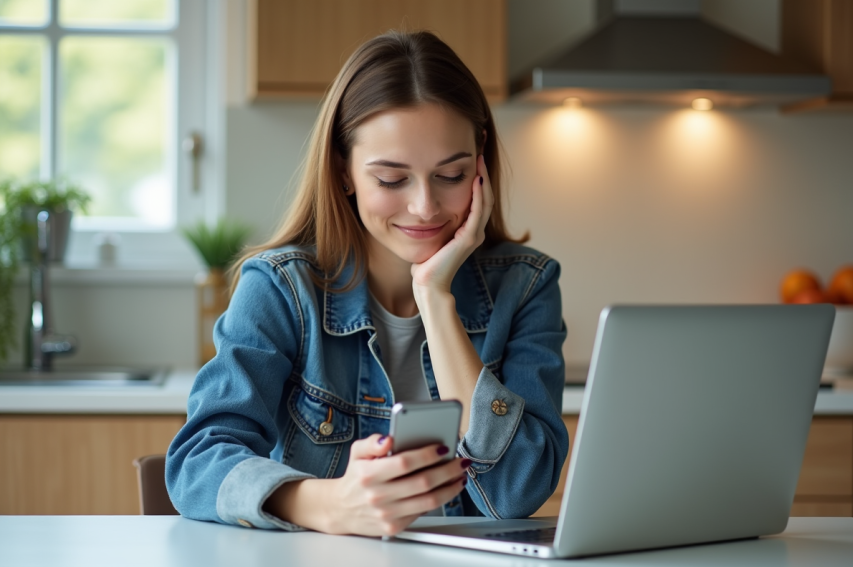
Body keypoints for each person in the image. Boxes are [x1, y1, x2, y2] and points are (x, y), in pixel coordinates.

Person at [166, 30, 568, 537]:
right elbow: (196, 462)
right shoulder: (282, 289)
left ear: (480, 164)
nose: (424, 207)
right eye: (392, 179)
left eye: (451, 175)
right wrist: (328, 504)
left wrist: (435, 298)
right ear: (344, 170)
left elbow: (517, 492)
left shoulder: (526, 286)